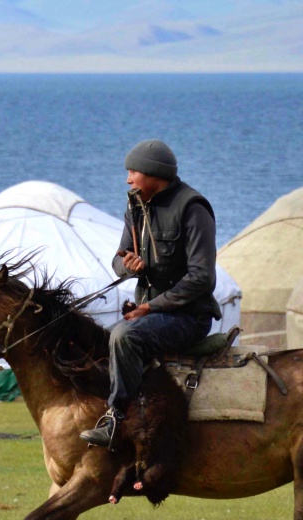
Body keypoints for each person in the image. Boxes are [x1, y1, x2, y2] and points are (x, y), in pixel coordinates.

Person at [80, 139, 221, 448]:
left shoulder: (193, 208)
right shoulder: (136, 206)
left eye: (133, 172)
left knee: (123, 337)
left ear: (155, 174)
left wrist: (150, 307)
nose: (128, 179)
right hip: (150, 313)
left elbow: (202, 278)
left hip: (188, 316)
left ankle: (117, 421)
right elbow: (118, 260)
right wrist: (130, 266)